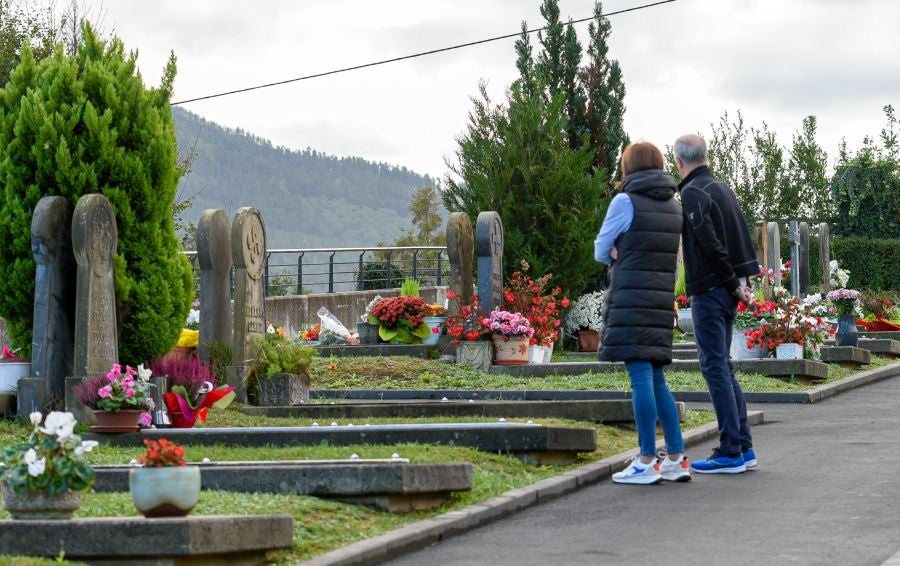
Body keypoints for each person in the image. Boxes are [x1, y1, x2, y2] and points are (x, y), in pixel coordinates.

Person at [595, 141, 690, 485]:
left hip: (632, 299)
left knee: (639, 379)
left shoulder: (625, 201)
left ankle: (647, 458)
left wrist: (618, 252)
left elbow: (600, 249)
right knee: (657, 378)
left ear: (628, 168)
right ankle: (677, 457)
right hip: (661, 298)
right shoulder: (673, 205)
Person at [673, 133, 758, 474]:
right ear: (705, 156)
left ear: (679, 162)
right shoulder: (722, 188)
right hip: (728, 287)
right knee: (723, 365)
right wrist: (743, 283)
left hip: (711, 289)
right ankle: (744, 446)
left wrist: (731, 285)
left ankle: (730, 451)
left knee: (713, 367)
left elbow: (710, 244)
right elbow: (740, 240)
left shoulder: (693, 192)